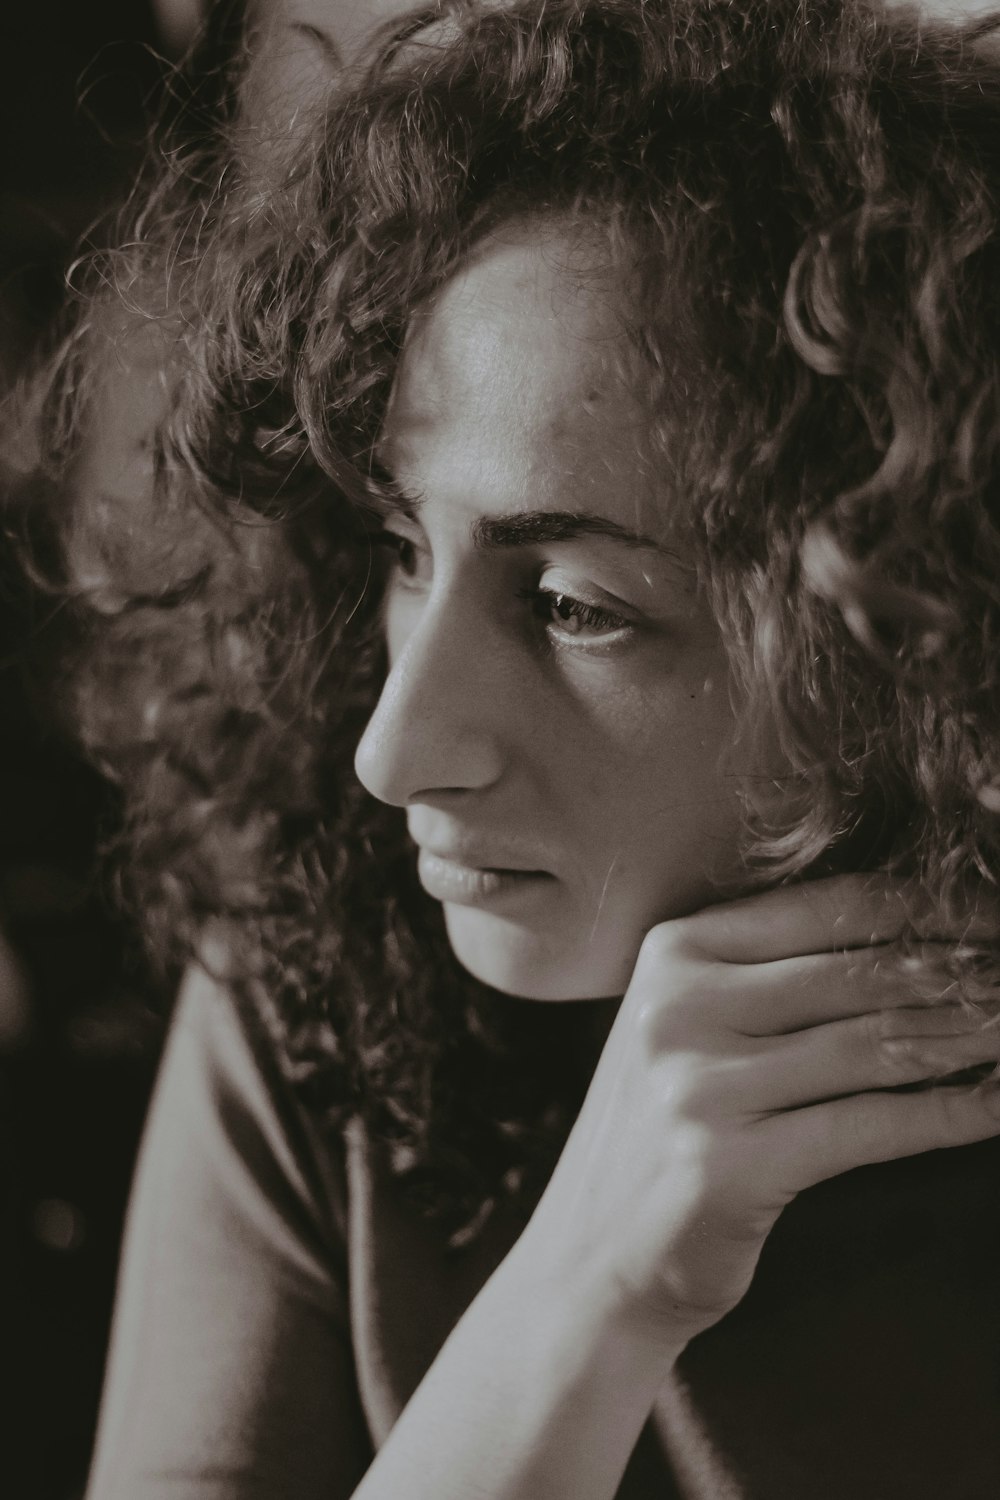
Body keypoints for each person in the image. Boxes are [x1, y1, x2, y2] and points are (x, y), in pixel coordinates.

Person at [28, 0, 1000, 1494]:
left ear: (913, 628)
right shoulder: (326, 965)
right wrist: (580, 1305)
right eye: (403, 547)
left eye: (572, 605)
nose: (392, 749)